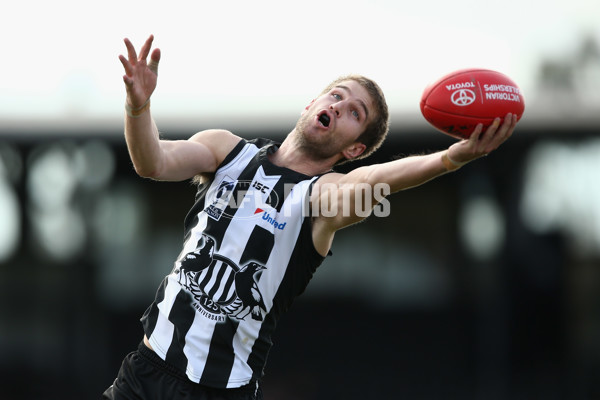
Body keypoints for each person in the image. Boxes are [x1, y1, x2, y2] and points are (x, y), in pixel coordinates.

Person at [103, 35, 517, 400]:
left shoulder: (320, 198)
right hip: (146, 373)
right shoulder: (226, 150)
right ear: (312, 104)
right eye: (337, 96)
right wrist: (138, 107)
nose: (340, 107)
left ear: (354, 150)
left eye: (356, 113)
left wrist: (448, 159)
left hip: (222, 390)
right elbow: (151, 162)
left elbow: (373, 179)